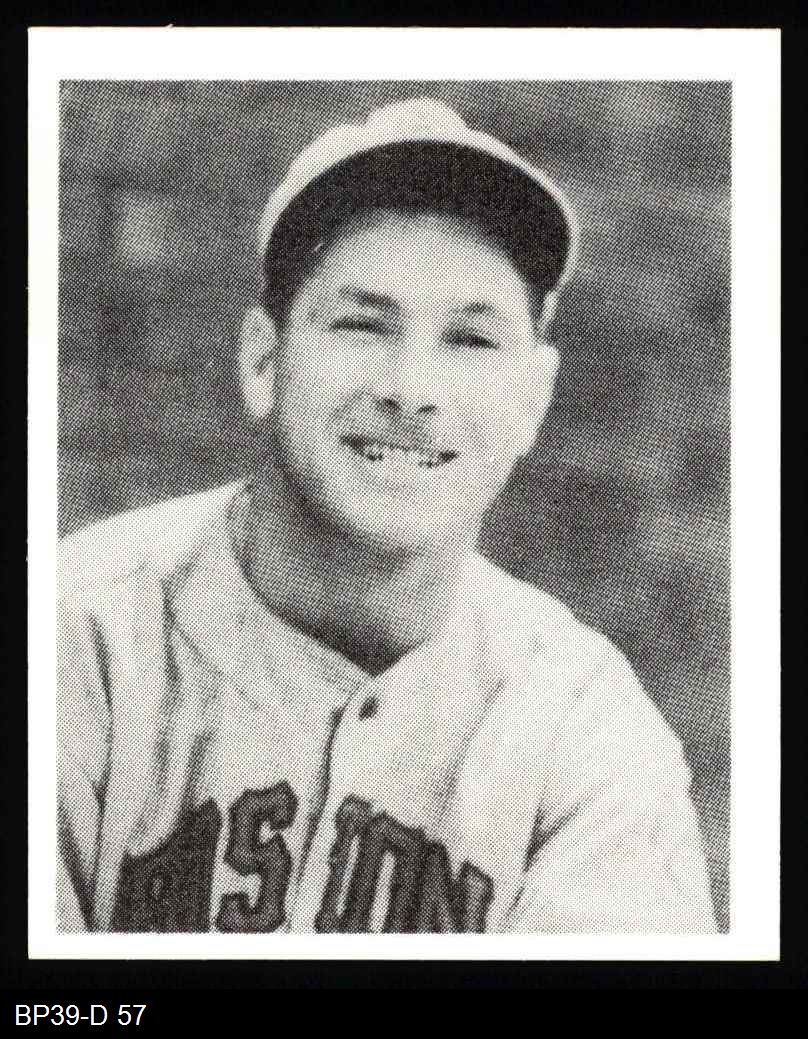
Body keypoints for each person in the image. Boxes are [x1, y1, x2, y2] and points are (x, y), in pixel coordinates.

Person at [57, 97, 717, 934]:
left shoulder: (583, 727)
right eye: (363, 324)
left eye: (471, 339)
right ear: (265, 360)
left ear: (532, 398)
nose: (411, 389)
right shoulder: (80, 638)